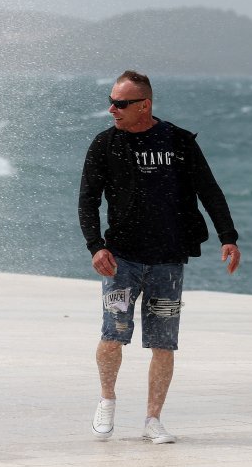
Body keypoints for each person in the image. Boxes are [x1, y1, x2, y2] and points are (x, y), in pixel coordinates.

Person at [78, 70, 240, 444]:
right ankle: (107, 399)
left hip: (168, 260)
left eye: (121, 104)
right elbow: (88, 200)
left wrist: (228, 237)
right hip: (121, 260)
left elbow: (209, 190)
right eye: (112, 101)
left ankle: (153, 419)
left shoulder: (179, 141)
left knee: (163, 342)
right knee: (113, 334)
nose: (112, 110)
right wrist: (95, 245)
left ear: (144, 105)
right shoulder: (104, 145)